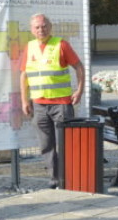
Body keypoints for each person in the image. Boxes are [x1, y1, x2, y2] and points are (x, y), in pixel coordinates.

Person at [19, 13, 85, 188]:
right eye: (37, 27)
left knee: (66, 145)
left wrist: (80, 90)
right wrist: (24, 100)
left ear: (50, 26)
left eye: (44, 26)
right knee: (46, 146)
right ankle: (55, 180)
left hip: (61, 105)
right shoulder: (30, 47)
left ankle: (71, 179)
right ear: (32, 30)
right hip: (39, 105)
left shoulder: (61, 44)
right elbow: (24, 74)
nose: (41, 29)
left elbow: (78, 66)